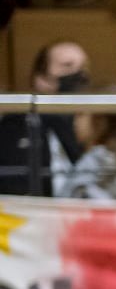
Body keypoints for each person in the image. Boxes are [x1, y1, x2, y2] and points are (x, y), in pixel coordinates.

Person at [0, 40, 87, 194]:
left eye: (83, 67)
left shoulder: (93, 124)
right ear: (41, 79)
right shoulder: (14, 126)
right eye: (67, 66)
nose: (79, 74)